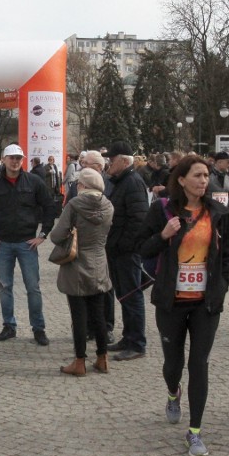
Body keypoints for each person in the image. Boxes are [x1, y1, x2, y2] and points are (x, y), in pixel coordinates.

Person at [137, 155, 229, 456]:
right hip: (171, 301)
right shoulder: (161, 210)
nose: (204, 181)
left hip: (205, 303)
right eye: (197, 176)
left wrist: (221, 285)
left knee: (199, 364)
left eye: (206, 175)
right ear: (181, 180)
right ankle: (172, 392)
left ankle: (195, 432)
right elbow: (141, 247)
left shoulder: (218, 212)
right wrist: (163, 236)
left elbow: (226, 254)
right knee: (173, 364)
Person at [0, 144, 55, 345]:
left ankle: (39, 329)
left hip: (27, 243)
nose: (15, 161)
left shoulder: (34, 182)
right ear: (3, 159)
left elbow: (49, 207)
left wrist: (43, 234)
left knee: (33, 288)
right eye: (11, 157)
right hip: (3, 245)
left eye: (19, 158)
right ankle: (9, 326)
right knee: (5, 287)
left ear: (23, 160)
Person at [51, 168, 113, 376]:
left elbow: (57, 235)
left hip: (76, 263)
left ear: (83, 186)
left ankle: (79, 362)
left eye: (78, 184)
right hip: (99, 262)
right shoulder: (108, 205)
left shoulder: (75, 205)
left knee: (79, 316)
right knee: (98, 314)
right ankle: (103, 358)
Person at [103, 141, 150, 361]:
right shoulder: (122, 181)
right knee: (124, 295)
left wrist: (123, 245)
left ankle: (137, 343)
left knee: (132, 295)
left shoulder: (132, 182)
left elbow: (139, 220)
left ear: (123, 160)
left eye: (111, 160)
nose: (108, 163)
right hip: (118, 249)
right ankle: (128, 337)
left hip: (127, 252)